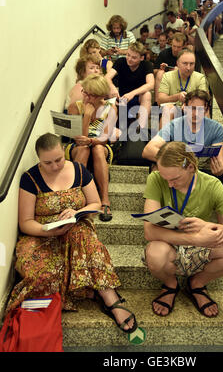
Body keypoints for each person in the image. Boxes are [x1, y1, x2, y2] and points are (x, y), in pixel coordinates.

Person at [5, 133, 137, 334]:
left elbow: (96, 204)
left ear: (64, 152)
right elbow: (25, 223)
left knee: (84, 236)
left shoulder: (78, 170)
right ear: (39, 160)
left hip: (75, 229)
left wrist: (77, 213)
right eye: (47, 162)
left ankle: (110, 297)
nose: (55, 166)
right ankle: (85, 290)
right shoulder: (30, 178)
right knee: (41, 276)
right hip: (41, 235)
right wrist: (46, 231)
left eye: (58, 160)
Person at [143, 141, 223, 318]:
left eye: (174, 178)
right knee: (154, 254)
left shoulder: (212, 184)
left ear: (191, 167)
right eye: (165, 178)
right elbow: (150, 232)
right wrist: (195, 239)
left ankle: (197, 283)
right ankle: (171, 285)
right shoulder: (155, 179)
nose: (169, 184)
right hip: (171, 243)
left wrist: (208, 226)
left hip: (203, 245)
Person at [142, 90, 223, 201]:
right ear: (184, 107)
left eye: (200, 109)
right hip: (177, 168)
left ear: (206, 110)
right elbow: (148, 150)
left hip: (202, 170)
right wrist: (176, 161)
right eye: (192, 108)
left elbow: (220, 162)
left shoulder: (215, 128)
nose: (195, 114)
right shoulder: (174, 125)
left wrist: (220, 169)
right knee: (156, 169)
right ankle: (157, 209)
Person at [67, 74, 119, 221]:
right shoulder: (75, 107)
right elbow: (78, 140)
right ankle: (76, 197)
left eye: (91, 95)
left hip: (99, 145)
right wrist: (87, 117)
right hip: (77, 147)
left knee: (96, 148)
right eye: (85, 92)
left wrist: (90, 140)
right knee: (84, 149)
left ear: (101, 95)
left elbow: (104, 138)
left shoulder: (111, 108)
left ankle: (104, 200)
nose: (87, 97)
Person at [105, 42, 154, 135]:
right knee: (108, 90)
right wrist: (113, 88)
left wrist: (132, 93)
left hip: (137, 97)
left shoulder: (147, 65)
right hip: (122, 97)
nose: (129, 59)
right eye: (128, 55)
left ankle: (141, 129)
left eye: (134, 57)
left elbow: (151, 84)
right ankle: (109, 129)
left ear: (141, 58)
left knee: (147, 95)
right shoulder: (121, 62)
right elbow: (107, 78)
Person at [158, 49, 208, 126]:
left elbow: (204, 100)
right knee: (168, 109)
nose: (188, 67)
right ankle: (163, 137)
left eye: (191, 64)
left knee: (203, 110)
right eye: (185, 63)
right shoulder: (167, 76)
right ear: (177, 63)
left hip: (193, 109)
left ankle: (203, 136)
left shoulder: (200, 78)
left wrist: (189, 103)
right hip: (174, 109)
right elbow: (160, 100)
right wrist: (177, 96)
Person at [153, 32, 186, 105]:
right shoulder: (164, 53)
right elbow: (154, 71)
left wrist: (180, 71)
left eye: (178, 47)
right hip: (166, 79)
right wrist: (163, 69)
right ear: (171, 44)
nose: (175, 49)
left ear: (183, 46)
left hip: (182, 79)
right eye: (174, 46)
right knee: (160, 73)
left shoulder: (186, 55)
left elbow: (192, 72)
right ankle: (156, 103)